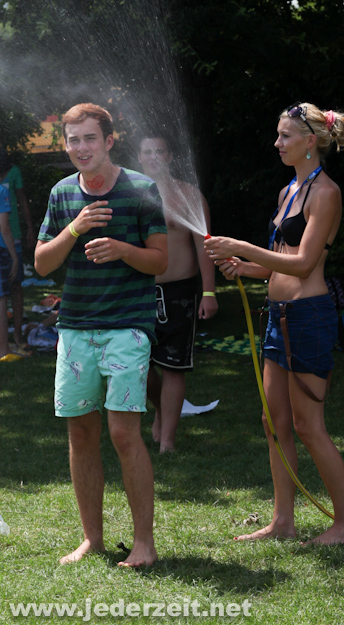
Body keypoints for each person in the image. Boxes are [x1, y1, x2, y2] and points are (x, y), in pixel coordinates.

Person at [204, 102, 344, 546]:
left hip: (308, 318)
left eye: (285, 136)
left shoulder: (326, 193)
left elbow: (306, 263)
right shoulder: (288, 190)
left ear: (310, 141)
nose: (277, 143)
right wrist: (243, 266)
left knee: (309, 426)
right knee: (273, 422)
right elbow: (280, 261)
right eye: (278, 135)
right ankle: (282, 522)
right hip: (278, 317)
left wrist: (242, 247)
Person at [35, 103, 168, 566]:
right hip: (75, 328)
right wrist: (74, 228)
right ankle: (92, 539)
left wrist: (122, 249)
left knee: (123, 433)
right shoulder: (61, 193)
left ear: (109, 141)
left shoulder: (141, 189)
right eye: (73, 139)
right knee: (80, 433)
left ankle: (144, 543)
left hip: (128, 327)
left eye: (89, 138)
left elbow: (160, 260)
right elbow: (42, 263)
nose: (81, 148)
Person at [138, 135, 218, 453]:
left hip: (180, 291)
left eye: (160, 151)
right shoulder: (130, 195)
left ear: (169, 156)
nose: (154, 157)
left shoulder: (189, 195)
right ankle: (161, 408)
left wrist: (209, 292)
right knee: (138, 366)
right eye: (147, 152)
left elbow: (205, 246)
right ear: (139, 158)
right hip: (140, 290)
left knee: (174, 366)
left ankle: (167, 442)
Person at [0, 145, 36, 352]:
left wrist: (30, 227)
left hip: (13, 237)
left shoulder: (13, 172)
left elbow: (22, 200)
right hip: (4, 239)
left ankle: (17, 334)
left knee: (15, 284)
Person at [0, 183, 19, 361]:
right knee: (1, 300)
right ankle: (3, 350)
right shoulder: (2, 190)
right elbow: (4, 227)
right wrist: (14, 256)